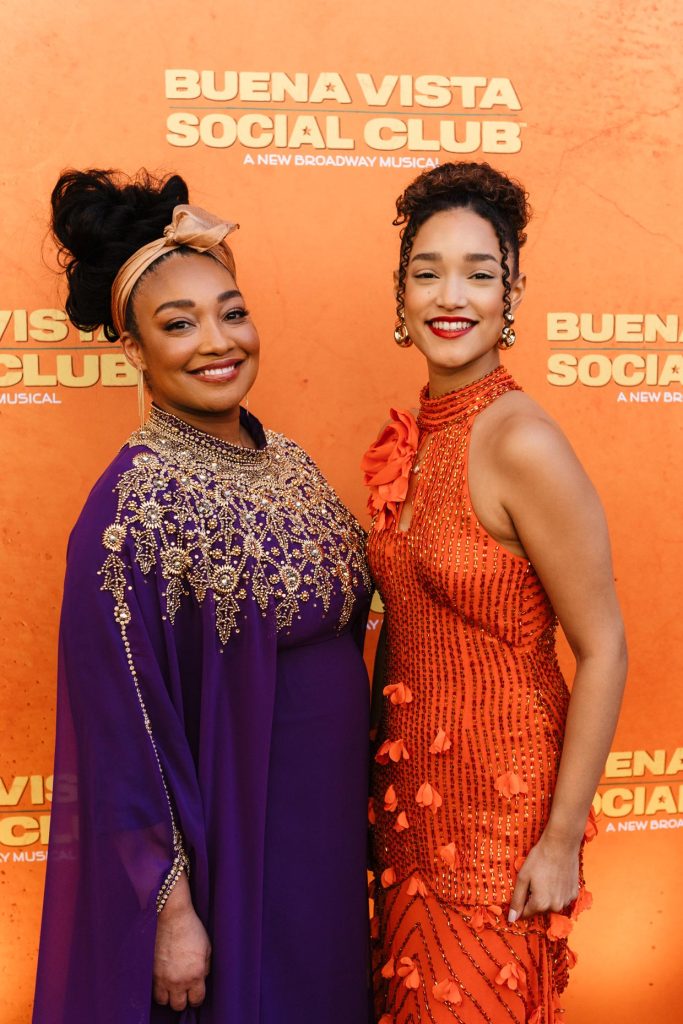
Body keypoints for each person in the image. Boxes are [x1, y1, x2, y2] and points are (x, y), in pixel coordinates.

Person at [33, 169, 373, 1024]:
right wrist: (170, 914)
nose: (217, 341)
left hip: (324, 847)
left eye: (232, 311)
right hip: (236, 858)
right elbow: (122, 736)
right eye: (177, 325)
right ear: (136, 350)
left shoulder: (288, 459)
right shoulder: (130, 509)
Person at [361, 161, 627, 1024]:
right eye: (427, 269)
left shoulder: (521, 441)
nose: (451, 294)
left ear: (512, 290)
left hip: (498, 827)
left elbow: (603, 648)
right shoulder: (420, 433)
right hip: (408, 818)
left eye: (479, 272)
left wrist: (559, 841)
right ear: (399, 293)